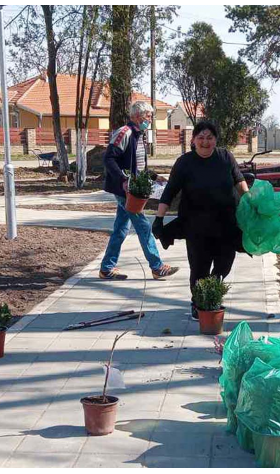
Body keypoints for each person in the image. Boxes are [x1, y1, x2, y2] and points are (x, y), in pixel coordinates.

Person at [152, 121, 249, 320]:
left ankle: (210, 294)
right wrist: (159, 218)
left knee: (224, 264)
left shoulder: (225, 157)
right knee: (199, 267)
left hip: (226, 223)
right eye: (201, 137)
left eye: (209, 137)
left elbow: (240, 182)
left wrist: (250, 205)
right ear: (193, 140)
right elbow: (169, 192)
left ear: (215, 140)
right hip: (196, 225)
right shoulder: (184, 162)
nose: (205, 142)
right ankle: (199, 303)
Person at [99, 101, 178, 281]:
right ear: (136, 116)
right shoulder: (124, 133)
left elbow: (136, 166)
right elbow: (109, 159)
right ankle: (157, 266)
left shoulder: (139, 135)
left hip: (131, 188)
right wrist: (123, 180)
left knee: (120, 229)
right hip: (125, 190)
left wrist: (153, 176)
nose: (150, 120)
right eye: (147, 116)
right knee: (143, 226)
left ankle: (106, 268)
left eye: (150, 117)